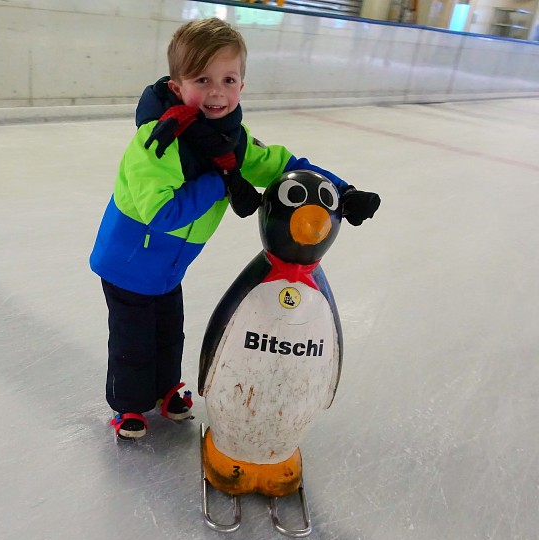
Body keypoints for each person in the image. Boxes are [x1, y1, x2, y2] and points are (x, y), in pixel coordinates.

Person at [89, 18, 380, 440]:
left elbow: (285, 164)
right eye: (202, 79)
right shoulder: (159, 140)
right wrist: (221, 180)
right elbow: (161, 213)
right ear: (177, 86)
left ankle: (165, 390)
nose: (216, 92)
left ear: (242, 86)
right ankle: (129, 407)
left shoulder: (230, 140)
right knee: (133, 342)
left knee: (170, 332)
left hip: (170, 266)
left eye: (228, 79)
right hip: (129, 262)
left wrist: (341, 190)